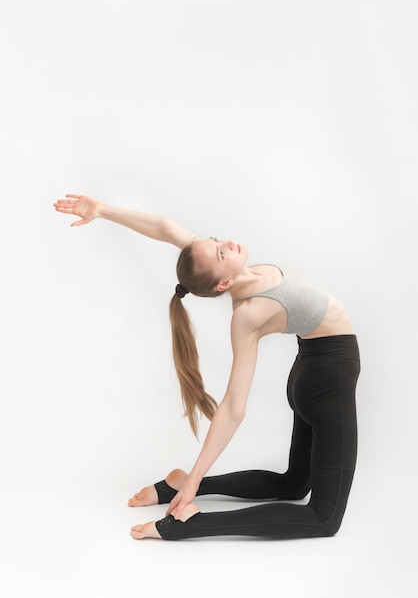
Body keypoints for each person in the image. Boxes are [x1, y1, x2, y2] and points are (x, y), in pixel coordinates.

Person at [54, 193, 360, 540]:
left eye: (217, 241)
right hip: (327, 380)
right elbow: (232, 407)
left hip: (314, 371)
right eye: (221, 252)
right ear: (223, 284)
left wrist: (102, 209)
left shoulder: (221, 267)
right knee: (324, 518)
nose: (227, 243)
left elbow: (166, 228)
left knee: (294, 483)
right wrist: (198, 475)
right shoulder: (248, 314)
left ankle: (179, 486)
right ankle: (192, 524)